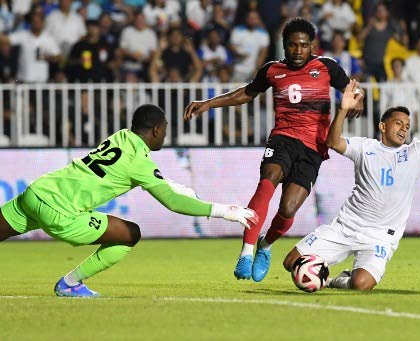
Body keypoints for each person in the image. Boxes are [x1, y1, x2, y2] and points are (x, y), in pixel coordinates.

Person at [0, 104, 258, 298]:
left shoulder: (120, 137)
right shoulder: (139, 162)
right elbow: (171, 202)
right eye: (164, 131)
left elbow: (149, 177)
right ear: (156, 130)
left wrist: (174, 185)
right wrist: (225, 211)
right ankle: (70, 284)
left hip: (37, 192)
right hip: (61, 212)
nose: (164, 137)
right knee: (130, 233)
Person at [184, 17, 363, 282]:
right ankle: (245, 252)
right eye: (292, 45)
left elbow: (351, 90)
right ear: (284, 46)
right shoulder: (272, 70)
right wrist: (209, 103)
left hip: (314, 148)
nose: (298, 51)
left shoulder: (326, 67)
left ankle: (264, 246)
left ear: (311, 45)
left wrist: (358, 100)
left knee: (288, 208)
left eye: (303, 45)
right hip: (283, 138)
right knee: (267, 180)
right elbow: (246, 93)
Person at [283, 80, 420, 291]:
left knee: (361, 284)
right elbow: (332, 142)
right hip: (346, 227)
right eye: (398, 123)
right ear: (382, 126)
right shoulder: (364, 147)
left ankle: (338, 280)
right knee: (291, 262)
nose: (404, 129)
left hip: (379, 237)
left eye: (407, 126)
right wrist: (342, 109)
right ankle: (321, 268)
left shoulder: (417, 151)